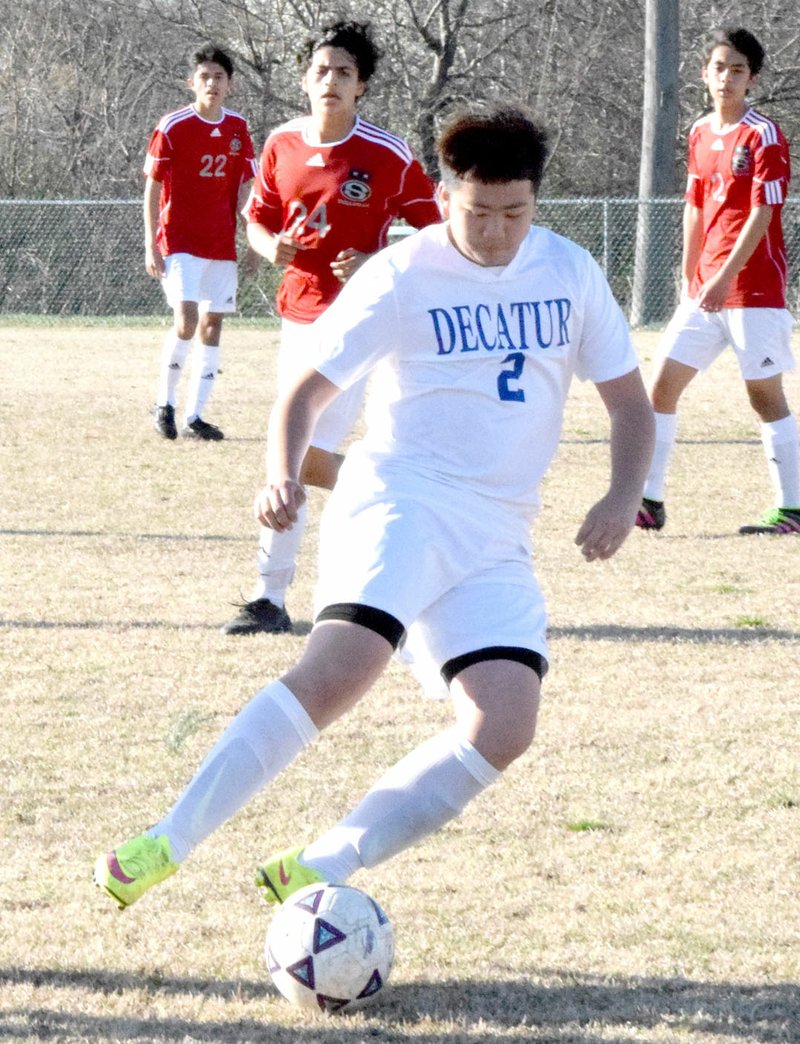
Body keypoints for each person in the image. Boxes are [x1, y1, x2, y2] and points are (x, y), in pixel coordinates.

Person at [93, 104, 655, 913]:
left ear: (536, 201)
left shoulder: (569, 271)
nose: (497, 232)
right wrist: (281, 473)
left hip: (498, 533)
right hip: (400, 499)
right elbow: (305, 391)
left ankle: (318, 865)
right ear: (441, 192)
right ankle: (165, 841)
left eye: (515, 213)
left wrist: (621, 493)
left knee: (505, 724)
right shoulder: (399, 274)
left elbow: (630, 405)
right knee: (341, 672)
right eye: (478, 212)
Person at [220, 19, 440, 635]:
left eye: (345, 72)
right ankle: (393, 500)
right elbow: (256, 220)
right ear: (304, 79)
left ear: (362, 85)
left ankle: (271, 596)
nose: (331, 81)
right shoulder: (281, 144)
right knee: (299, 457)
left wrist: (378, 260)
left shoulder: (387, 155)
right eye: (321, 70)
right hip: (298, 317)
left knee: (295, 453)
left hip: (363, 324)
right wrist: (270, 248)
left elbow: (437, 236)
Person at [636, 27, 799, 535]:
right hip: (704, 292)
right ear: (704, 73)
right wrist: (690, 272)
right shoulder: (700, 132)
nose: (726, 77)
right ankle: (649, 501)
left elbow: (761, 213)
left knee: (763, 397)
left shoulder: (764, 135)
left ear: (752, 78)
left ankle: (792, 509)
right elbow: (694, 206)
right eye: (718, 67)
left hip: (753, 292)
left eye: (737, 69)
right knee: (660, 387)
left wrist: (725, 276)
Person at [146, 44, 257, 442]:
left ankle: (194, 416)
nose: (212, 83)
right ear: (191, 82)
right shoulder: (174, 125)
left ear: (230, 85)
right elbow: (153, 185)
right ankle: (164, 404)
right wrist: (150, 243)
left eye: (219, 77)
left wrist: (253, 241)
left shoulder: (238, 129)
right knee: (187, 321)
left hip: (221, 242)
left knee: (213, 326)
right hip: (179, 239)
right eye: (204, 76)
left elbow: (247, 188)